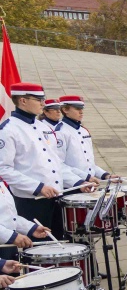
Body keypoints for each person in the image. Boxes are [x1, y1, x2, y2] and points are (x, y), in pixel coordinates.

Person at [0, 83, 95, 240]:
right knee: (39, 250)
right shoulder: (8, 130)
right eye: (38, 99)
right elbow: (4, 169)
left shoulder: (43, 127)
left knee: (62, 243)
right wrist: (38, 187)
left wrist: (80, 181)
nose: (43, 103)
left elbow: (56, 163)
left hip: (55, 198)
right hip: (31, 202)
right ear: (23, 100)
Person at [54, 95, 115, 184]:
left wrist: (105, 175)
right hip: (73, 185)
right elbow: (58, 164)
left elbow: (89, 163)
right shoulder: (60, 132)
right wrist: (82, 180)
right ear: (65, 110)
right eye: (77, 109)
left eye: (82, 108)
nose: (81, 112)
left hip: (89, 183)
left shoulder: (84, 131)